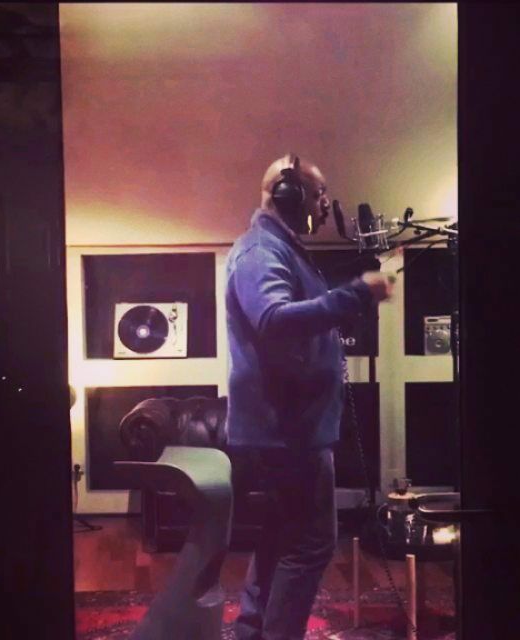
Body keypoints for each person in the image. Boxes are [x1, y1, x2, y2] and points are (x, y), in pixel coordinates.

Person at [225, 154, 394, 640]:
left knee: (280, 538)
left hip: (288, 428)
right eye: (319, 194)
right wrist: (356, 294)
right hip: (288, 432)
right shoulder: (261, 251)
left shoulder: (278, 248)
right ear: (288, 194)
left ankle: (252, 631)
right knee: (311, 545)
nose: (325, 205)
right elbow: (273, 319)